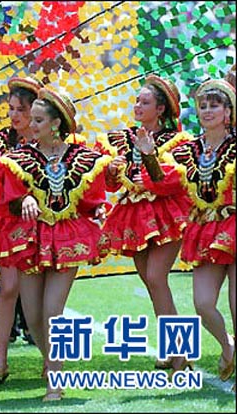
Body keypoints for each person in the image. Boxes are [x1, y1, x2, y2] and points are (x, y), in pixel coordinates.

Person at [0, 86, 110, 401]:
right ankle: (51, 361)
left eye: (37, 120)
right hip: (30, 239)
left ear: (55, 123)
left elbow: (91, 197)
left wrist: (97, 208)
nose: (30, 125)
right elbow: (7, 195)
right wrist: (24, 198)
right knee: (33, 317)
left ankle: (55, 383)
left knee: (52, 310)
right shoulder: (17, 159)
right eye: (30, 119)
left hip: (66, 236)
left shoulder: (82, 157)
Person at [135, 78, 235, 384]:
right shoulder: (189, 151)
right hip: (205, 229)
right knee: (203, 304)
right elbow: (164, 182)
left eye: (214, 105)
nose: (207, 111)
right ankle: (228, 345)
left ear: (228, 112)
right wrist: (149, 156)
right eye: (203, 106)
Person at [97, 74, 193, 371]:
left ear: (161, 109)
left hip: (166, 213)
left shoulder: (178, 142)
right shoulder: (122, 140)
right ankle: (172, 349)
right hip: (133, 216)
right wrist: (112, 172)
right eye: (137, 101)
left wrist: (149, 164)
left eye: (145, 102)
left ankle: (180, 351)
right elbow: (112, 186)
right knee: (153, 284)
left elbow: (173, 181)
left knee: (155, 277)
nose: (138, 106)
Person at [0, 76, 43, 384]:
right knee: (6, 289)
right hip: (7, 222)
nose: (15, 115)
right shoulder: (1, 141)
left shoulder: (48, 137)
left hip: (43, 224)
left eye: (22, 109)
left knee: (41, 301)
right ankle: (0, 360)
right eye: (11, 109)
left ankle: (50, 360)